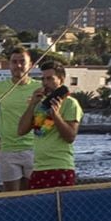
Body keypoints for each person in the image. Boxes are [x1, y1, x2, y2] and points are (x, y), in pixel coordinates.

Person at [20, 55, 82, 189]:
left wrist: (56, 115)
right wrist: (32, 105)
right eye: (43, 79)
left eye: (49, 78)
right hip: (38, 167)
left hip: (60, 166)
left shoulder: (71, 104)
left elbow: (70, 136)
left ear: (61, 80)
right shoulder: (40, 105)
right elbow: (21, 130)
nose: (45, 82)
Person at [0, 46, 37, 191]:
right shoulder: (0, 88)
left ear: (30, 65)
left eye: (22, 62)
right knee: (11, 198)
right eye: (14, 62)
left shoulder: (39, 88)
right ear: (9, 65)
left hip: (34, 148)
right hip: (7, 149)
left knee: (32, 196)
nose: (18, 65)